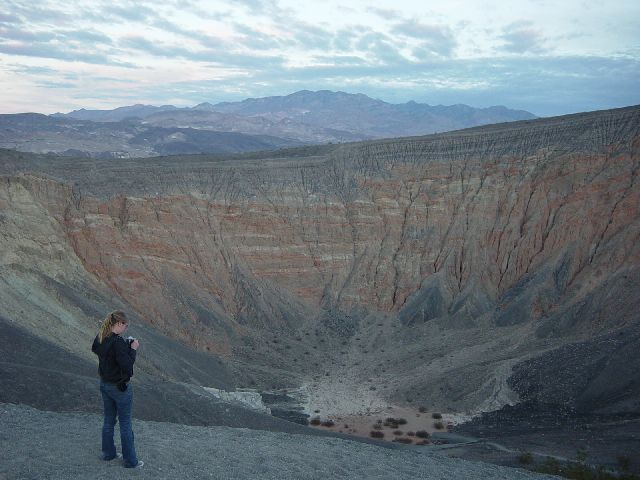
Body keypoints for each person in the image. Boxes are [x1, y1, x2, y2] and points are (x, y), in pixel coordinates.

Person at [91, 310, 144, 468]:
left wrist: (125, 348)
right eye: (125, 326)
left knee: (108, 420)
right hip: (120, 387)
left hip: (105, 384)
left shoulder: (101, 337)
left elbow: (107, 354)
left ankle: (109, 453)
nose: (126, 329)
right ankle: (130, 461)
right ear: (119, 324)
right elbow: (127, 366)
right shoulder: (118, 342)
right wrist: (133, 348)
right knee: (125, 424)